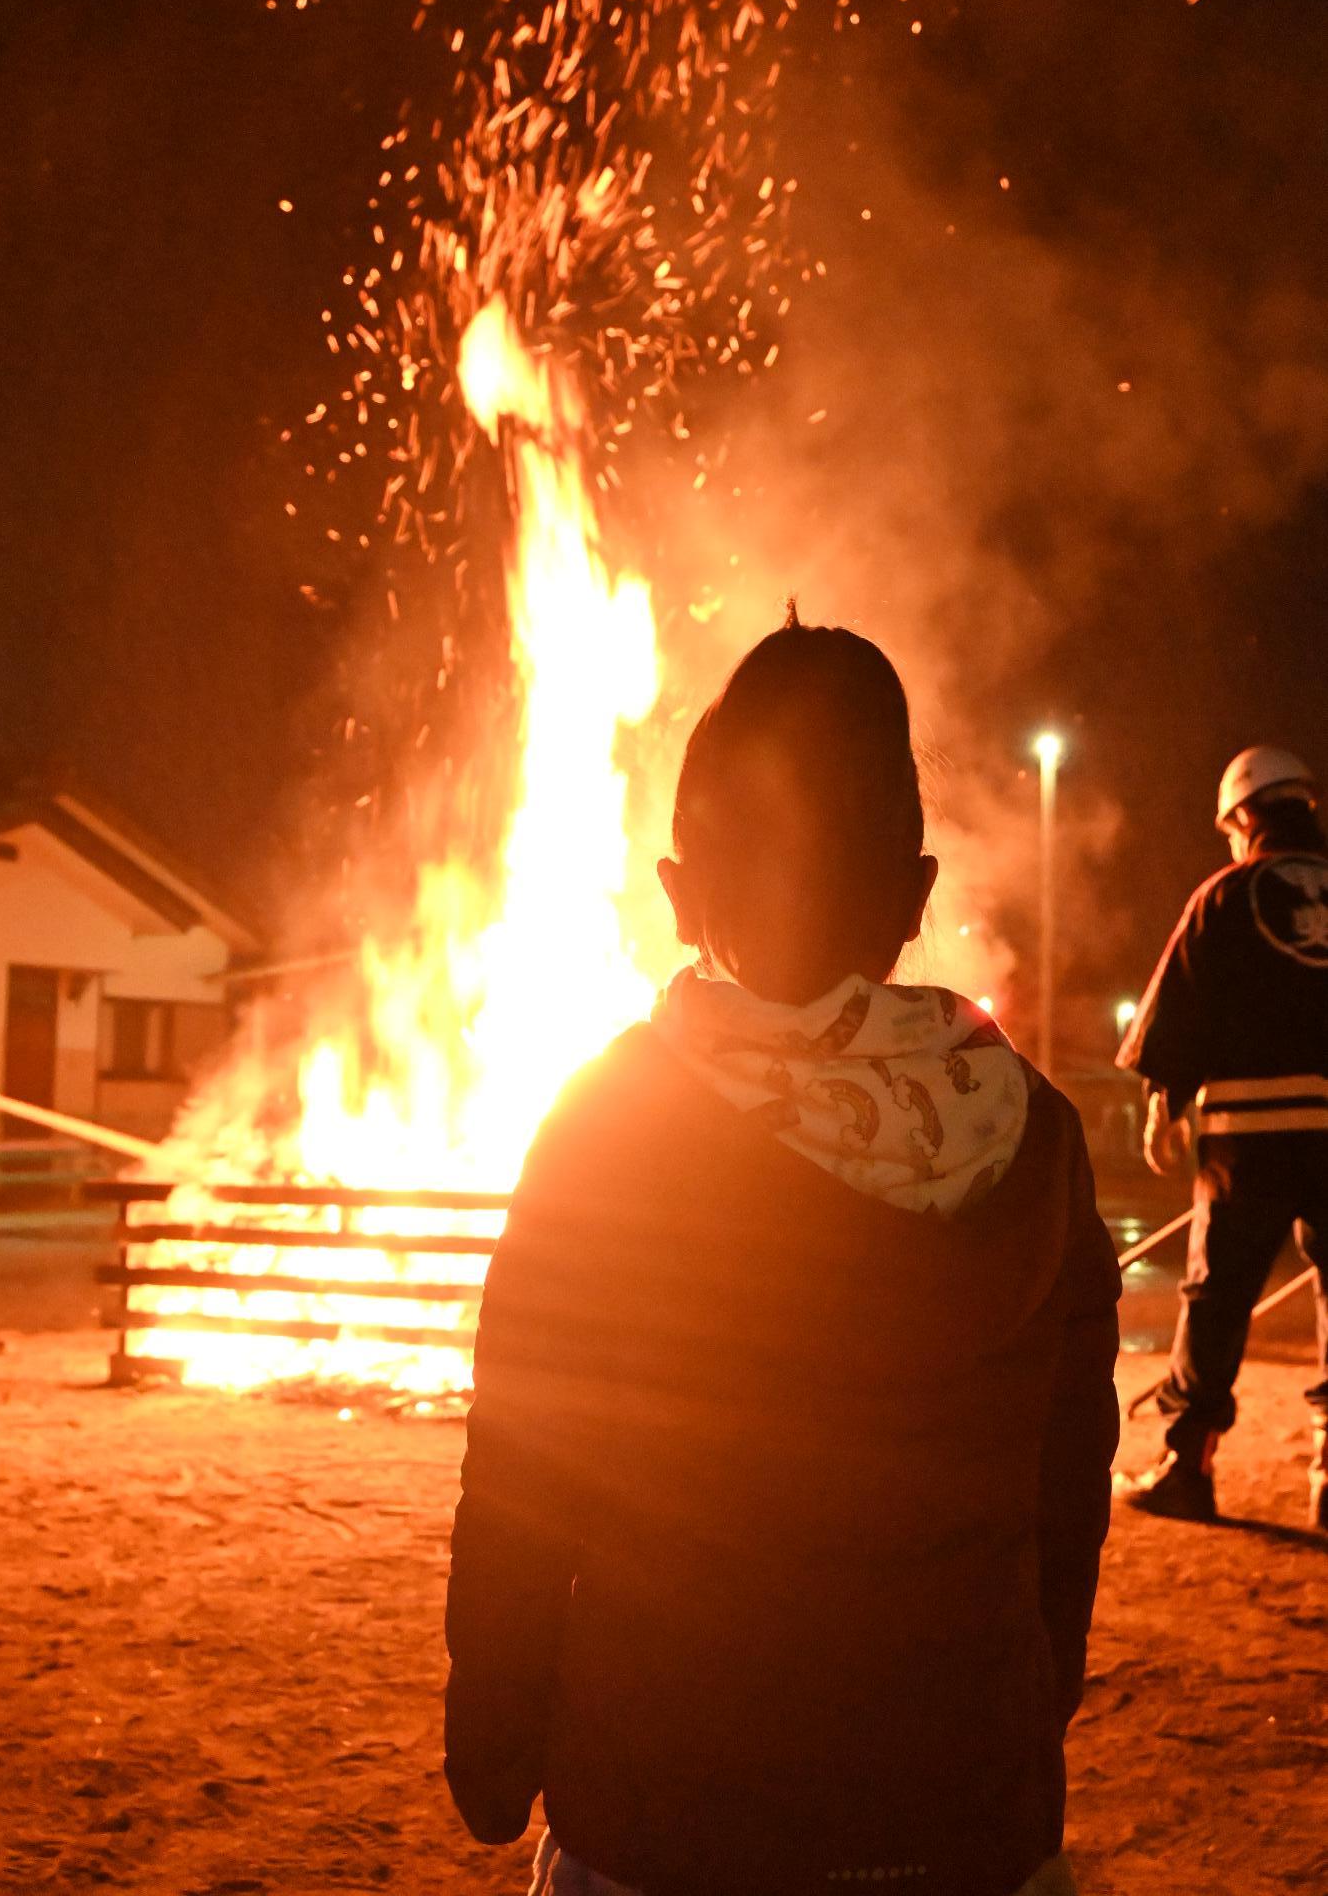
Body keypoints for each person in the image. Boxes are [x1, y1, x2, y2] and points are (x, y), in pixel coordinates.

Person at [444, 611, 1121, 1896]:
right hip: (964, 1807)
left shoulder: (610, 1123)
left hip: (671, 1808)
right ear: (918, 895)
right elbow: (1066, 1476)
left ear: (679, 892)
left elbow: (526, 1467)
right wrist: (1027, 1703)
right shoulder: (1035, 1131)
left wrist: (492, 1742)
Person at [1116, 745, 1328, 1528]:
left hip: (1250, 1132)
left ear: (1243, 817)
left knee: (1217, 1297)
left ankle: (1187, 1465)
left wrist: (1162, 1100)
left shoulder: (1224, 895)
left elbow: (1178, 1003)